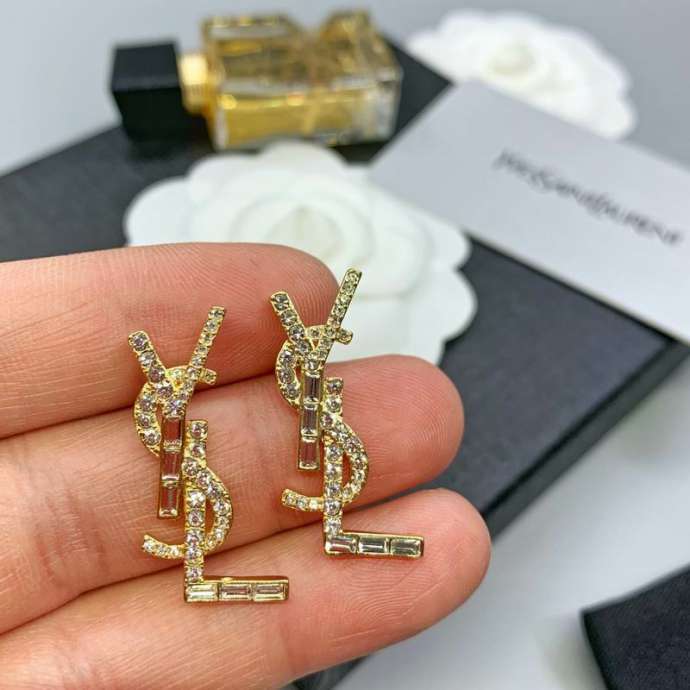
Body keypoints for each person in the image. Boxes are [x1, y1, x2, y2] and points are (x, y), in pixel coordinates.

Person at [0, 243, 490, 688]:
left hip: (240, 434)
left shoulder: (302, 388)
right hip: (184, 450)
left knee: (318, 456)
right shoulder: (176, 418)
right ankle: (213, 568)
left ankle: (322, 534)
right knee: (205, 491)